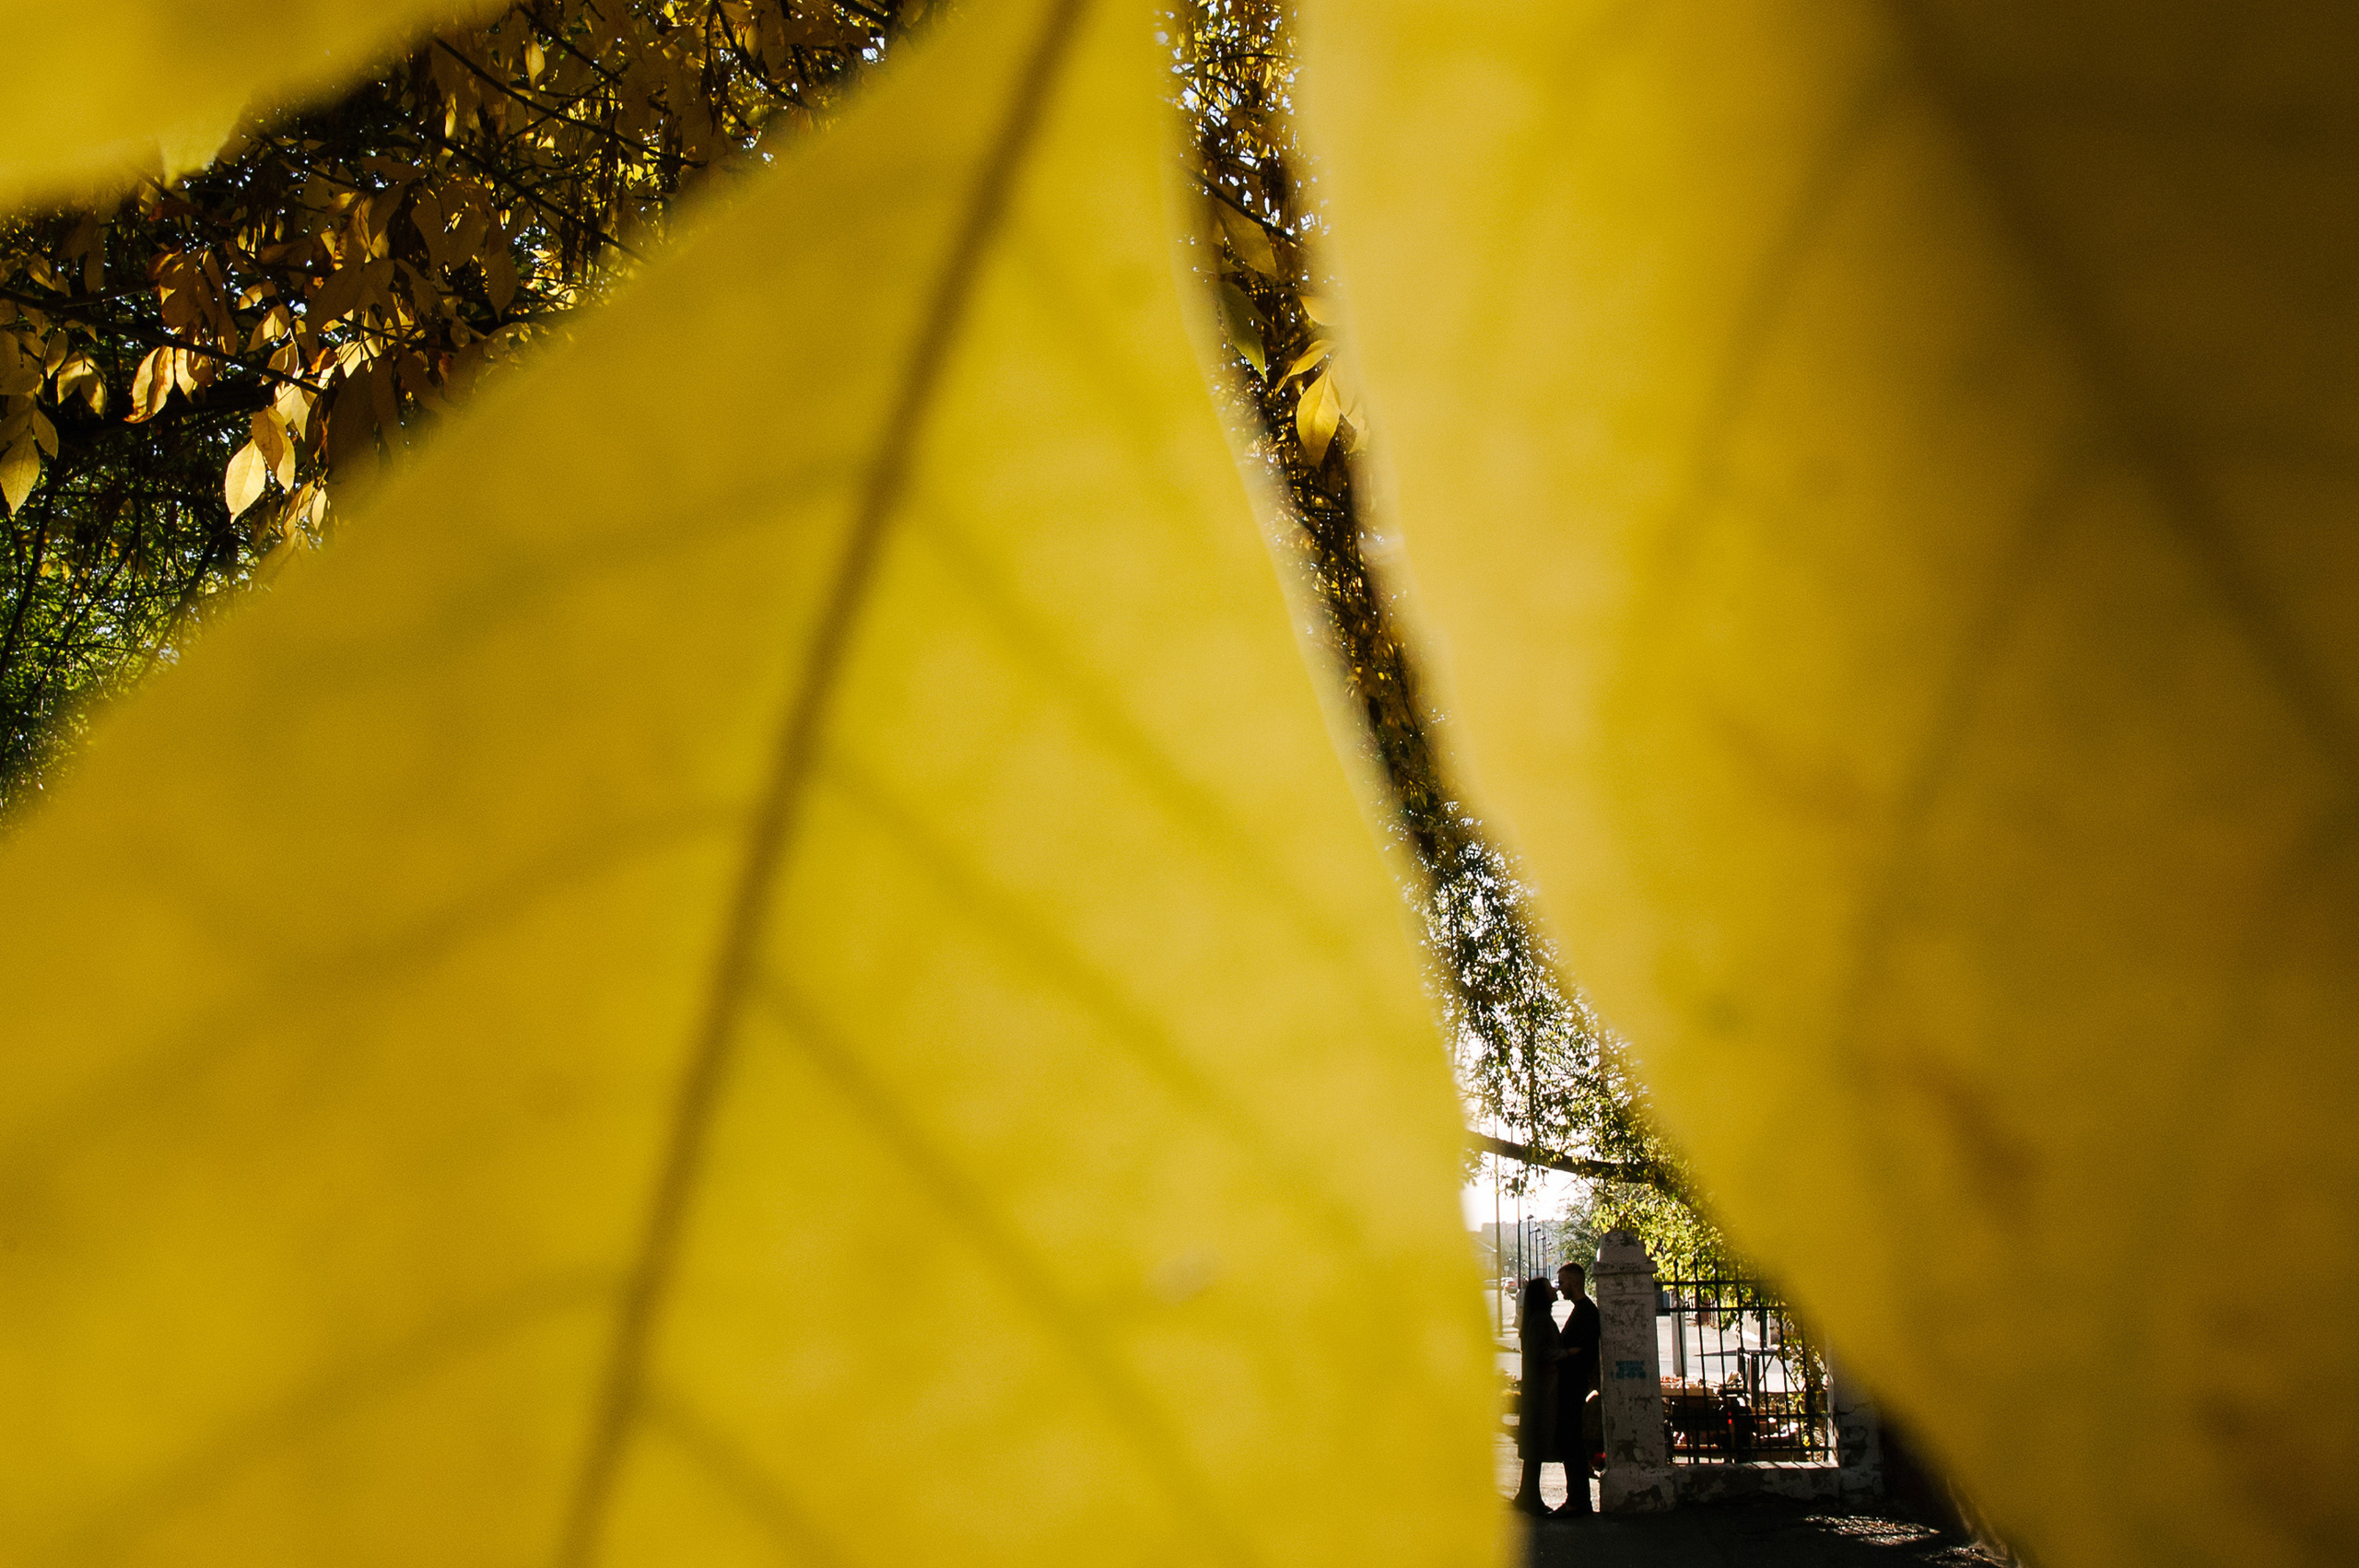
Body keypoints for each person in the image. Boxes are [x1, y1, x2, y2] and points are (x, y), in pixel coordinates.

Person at [1552, 1261, 1602, 1515]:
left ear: (1573, 1281)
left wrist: (1563, 1355)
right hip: (1573, 1385)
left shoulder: (1586, 1312)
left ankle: (1577, 1501)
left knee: (1572, 1443)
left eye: (1562, 1283)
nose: (1560, 1288)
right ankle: (1577, 1499)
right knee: (1571, 1443)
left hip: (1574, 1386)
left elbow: (1583, 1352)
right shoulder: (1581, 1310)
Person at [1508, 1275, 1559, 1514]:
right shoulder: (1540, 1321)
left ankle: (1529, 1496)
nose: (1554, 1290)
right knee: (1536, 1445)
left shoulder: (1537, 1319)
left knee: (1534, 1447)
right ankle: (1529, 1498)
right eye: (1550, 1288)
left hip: (1537, 1390)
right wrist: (1566, 1353)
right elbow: (1541, 1353)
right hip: (1540, 1390)